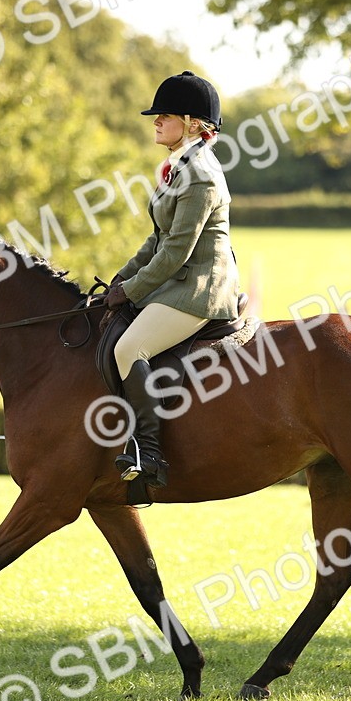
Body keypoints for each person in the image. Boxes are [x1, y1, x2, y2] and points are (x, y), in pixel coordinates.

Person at [104, 71, 241, 488]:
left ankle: (149, 452)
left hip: (201, 288)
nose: (155, 121)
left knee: (129, 348)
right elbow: (156, 239)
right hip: (177, 281)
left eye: (164, 115)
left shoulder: (199, 174)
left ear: (193, 123)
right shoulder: (177, 167)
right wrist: (121, 278)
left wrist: (132, 290)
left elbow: (176, 251)